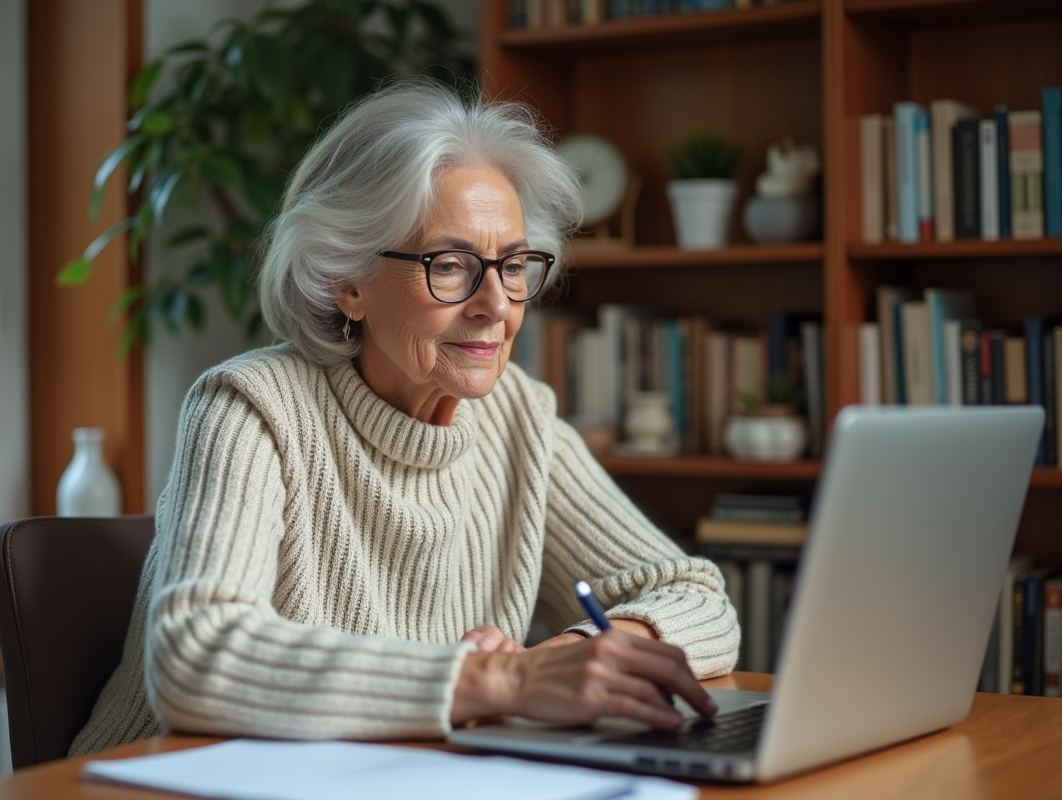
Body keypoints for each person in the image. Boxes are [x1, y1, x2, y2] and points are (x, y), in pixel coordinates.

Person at [70, 80, 740, 756]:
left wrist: (579, 652)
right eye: (449, 266)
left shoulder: (519, 418)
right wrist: (497, 678)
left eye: (513, 266)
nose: (495, 304)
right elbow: (197, 659)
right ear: (347, 282)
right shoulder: (250, 407)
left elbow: (696, 596)